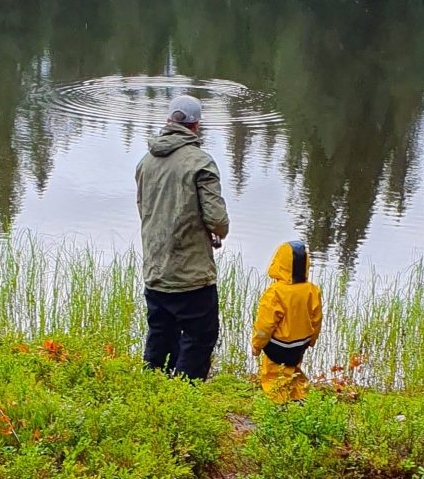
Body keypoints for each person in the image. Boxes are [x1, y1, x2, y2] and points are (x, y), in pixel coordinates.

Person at [136, 95, 230, 381]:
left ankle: (151, 392)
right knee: (200, 337)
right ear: (196, 125)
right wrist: (217, 233)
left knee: (160, 335)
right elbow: (218, 221)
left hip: (155, 270)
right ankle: (185, 399)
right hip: (191, 275)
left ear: (168, 120)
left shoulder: (145, 162)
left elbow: (145, 210)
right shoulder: (200, 163)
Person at [251, 241, 323, 403]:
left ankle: (278, 407)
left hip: (278, 346)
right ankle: (300, 398)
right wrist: (312, 340)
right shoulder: (312, 290)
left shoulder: (275, 293)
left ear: (279, 263)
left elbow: (265, 326)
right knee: (293, 370)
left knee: (274, 376)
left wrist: (257, 345)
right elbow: (316, 319)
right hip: (299, 345)